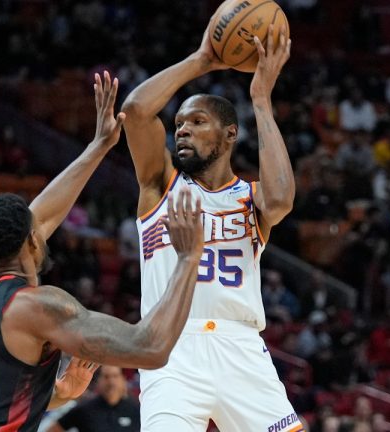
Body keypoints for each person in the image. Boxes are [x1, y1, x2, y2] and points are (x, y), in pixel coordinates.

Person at [0, 72, 205, 431]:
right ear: (32, 241)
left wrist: (98, 147)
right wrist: (187, 259)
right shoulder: (37, 307)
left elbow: (41, 216)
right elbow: (150, 348)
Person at [120, 20, 300, 431]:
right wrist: (201, 60)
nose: (182, 129)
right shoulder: (159, 184)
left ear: (229, 134)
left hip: (240, 347)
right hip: (171, 348)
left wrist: (260, 100)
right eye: (180, 123)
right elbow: (134, 112)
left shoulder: (250, 198)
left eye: (197, 121)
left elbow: (281, 201)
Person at [47, 366, 140, 432]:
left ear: (123, 380)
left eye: (115, 376)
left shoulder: (137, 409)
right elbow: (54, 429)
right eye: (106, 377)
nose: (111, 382)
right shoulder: (83, 409)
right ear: (98, 381)